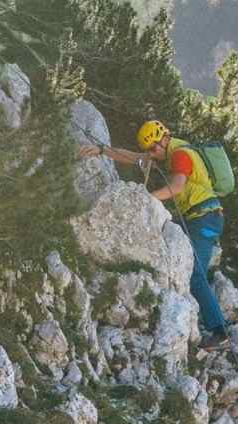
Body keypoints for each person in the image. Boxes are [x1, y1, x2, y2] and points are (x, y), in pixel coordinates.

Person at [81, 120, 229, 351]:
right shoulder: (170, 150)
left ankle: (220, 332)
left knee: (196, 275)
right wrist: (102, 150)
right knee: (189, 270)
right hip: (199, 217)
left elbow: (177, 187)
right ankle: (213, 321)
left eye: (153, 148)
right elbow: (133, 157)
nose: (152, 154)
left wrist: (147, 199)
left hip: (204, 217)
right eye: (150, 150)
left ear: (162, 139)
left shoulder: (180, 155)